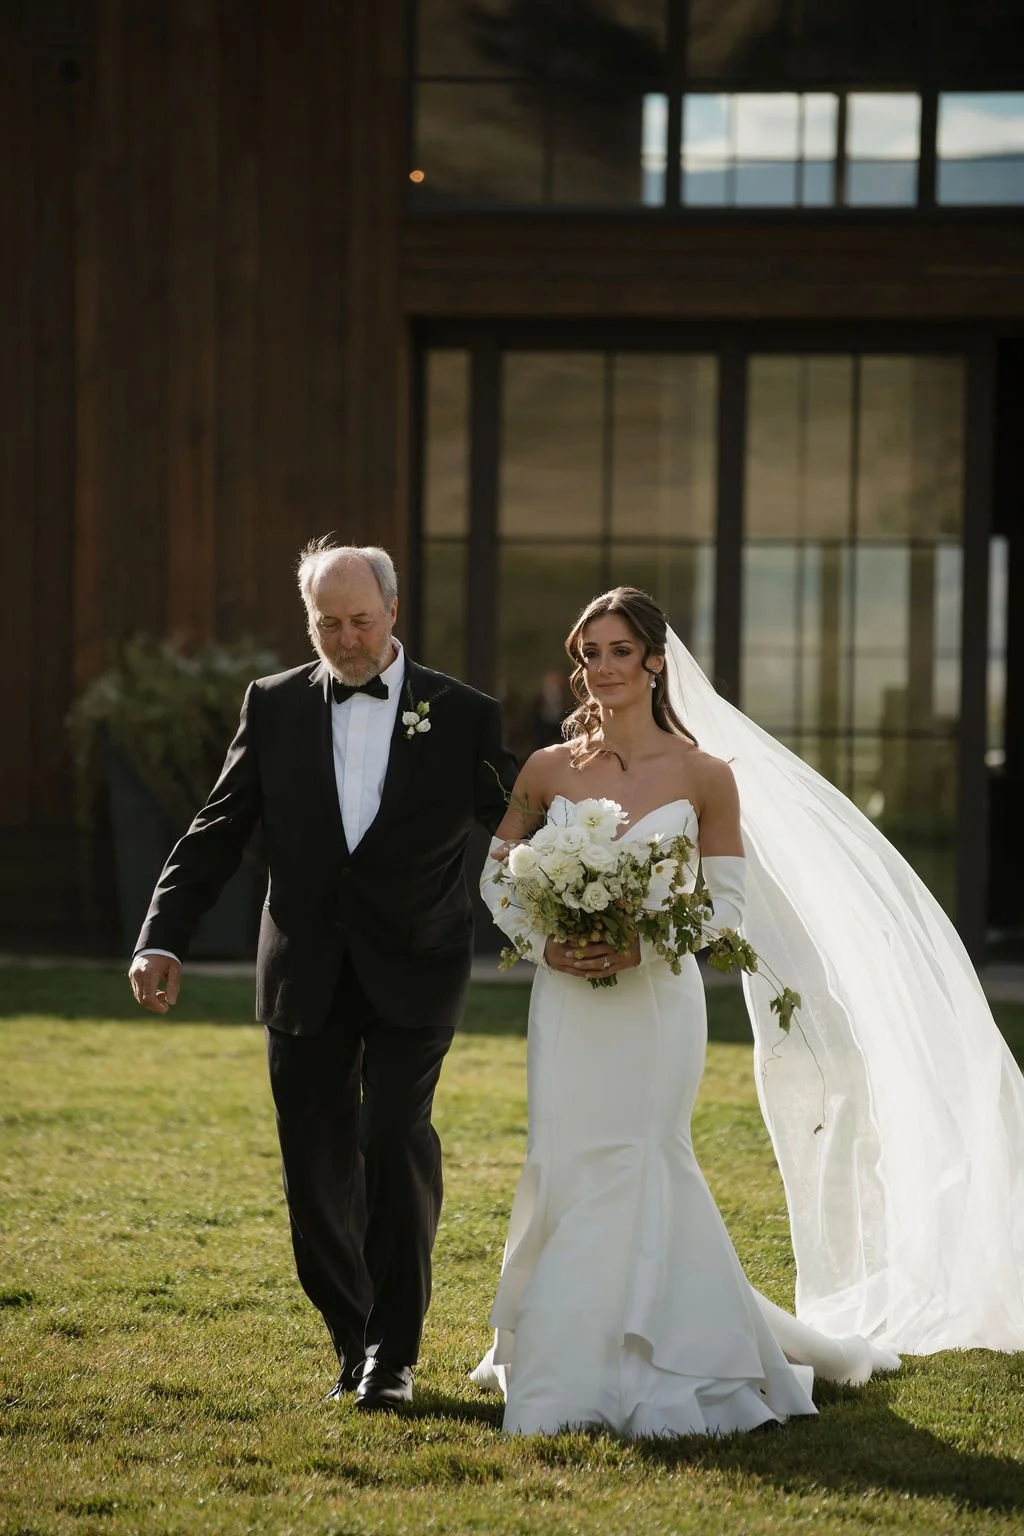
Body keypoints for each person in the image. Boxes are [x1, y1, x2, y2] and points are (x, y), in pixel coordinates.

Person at [474, 585, 1024, 1437]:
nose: (604, 668)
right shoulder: (547, 770)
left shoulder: (705, 775)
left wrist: (642, 945)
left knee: (644, 1159)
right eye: (591, 653)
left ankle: (660, 1362)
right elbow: (498, 874)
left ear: (656, 661)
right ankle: (564, 1357)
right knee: (567, 1159)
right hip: (567, 1004)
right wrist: (546, 944)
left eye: (621, 651)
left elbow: (724, 905)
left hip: (656, 1003)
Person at [129, 540, 515, 1412]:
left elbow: (524, 819)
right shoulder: (271, 706)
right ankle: (353, 1334)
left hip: (416, 967)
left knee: (390, 1137)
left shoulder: (462, 714)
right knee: (314, 1170)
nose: (344, 640)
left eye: (360, 622)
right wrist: (161, 937)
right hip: (304, 970)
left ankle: (393, 1356)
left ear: (393, 614)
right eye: (326, 623)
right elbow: (218, 828)